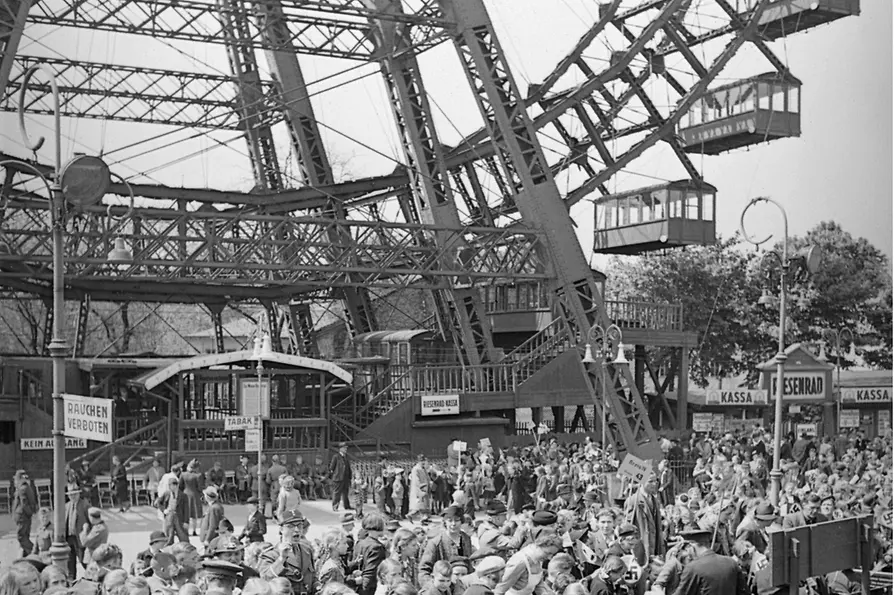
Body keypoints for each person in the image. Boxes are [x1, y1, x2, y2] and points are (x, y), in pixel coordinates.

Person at [672, 530, 742, 595]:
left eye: (686, 549)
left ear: (690, 546)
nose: (688, 554)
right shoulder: (731, 563)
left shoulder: (692, 568)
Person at [492, 534, 562, 595]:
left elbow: (538, 585)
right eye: (548, 553)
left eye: (552, 554)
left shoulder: (538, 560)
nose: (549, 558)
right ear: (538, 546)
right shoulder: (520, 561)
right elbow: (501, 587)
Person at [154, 476, 190, 545]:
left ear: (176, 485)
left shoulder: (183, 495)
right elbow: (157, 502)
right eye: (169, 486)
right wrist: (164, 510)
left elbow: (186, 509)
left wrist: (186, 521)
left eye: (172, 485)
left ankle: (186, 548)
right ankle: (168, 549)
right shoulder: (167, 493)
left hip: (179, 517)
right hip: (169, 516)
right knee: (169, 536)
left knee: (183, 536)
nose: (171, 487)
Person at [12, 471, 37, 557]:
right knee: (25, 536)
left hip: (22, 517)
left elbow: (24, 504)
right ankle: (26, 556)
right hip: (24, 516)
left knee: (21, 537)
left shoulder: (22, 488)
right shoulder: (26, 487)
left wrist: (28, 513)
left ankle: (34, 551)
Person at [200, 486, 226, 553]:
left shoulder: (214, 508)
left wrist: (208, 539)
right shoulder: (216, 506)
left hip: (212, 539)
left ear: (207, 497)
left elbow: (212, 525)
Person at [330, 443, 353, 512]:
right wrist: (335, 475)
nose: (345, 449)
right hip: (338, 478)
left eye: (346, 448)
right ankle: (335, 506)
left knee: (345, 493)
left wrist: (350, 476)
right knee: (337, 493)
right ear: (340, 449)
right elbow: (332, 467)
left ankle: (347, 506)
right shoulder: (336, 457)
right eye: (344, 448)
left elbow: (348, 467)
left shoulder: (346, 457)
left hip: (345, 478)